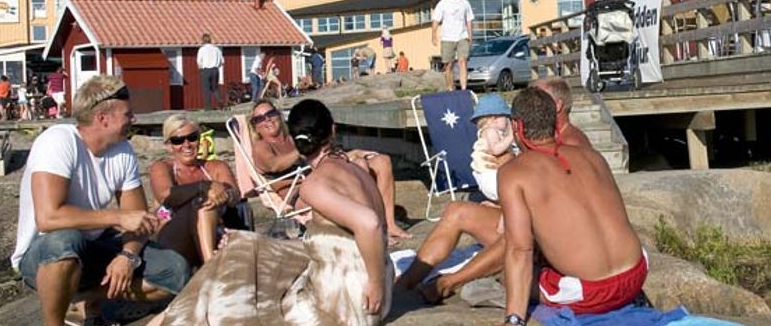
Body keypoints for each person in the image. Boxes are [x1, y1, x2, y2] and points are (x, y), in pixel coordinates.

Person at [154, 99, 392, 326]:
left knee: (253, 296)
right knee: (243, 246)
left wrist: (375, 282)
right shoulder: (357, 168)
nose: (186, 143)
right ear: (332, 130)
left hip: (352, 299)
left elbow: (369, 223)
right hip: (376, 290)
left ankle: (173, 315)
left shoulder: (315, 184)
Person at [11, 75, 190, 326]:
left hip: (93, 247)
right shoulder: (57, 142)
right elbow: (48, 217)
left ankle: (85, 299)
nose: (133, 119)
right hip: (42, 254)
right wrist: (117, 217)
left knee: (175, 270)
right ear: (103, 118)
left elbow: (139, 221)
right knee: (66, 240)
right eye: (127, 114)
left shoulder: (122, 151)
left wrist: (127, 257)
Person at [500, 88, 646, 322]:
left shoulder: (513, 173)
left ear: (517, 127)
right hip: (637, 272)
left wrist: (514, 318)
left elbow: (520, 250)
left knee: (508, 276)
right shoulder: (592, 156)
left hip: (591, 293)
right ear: (555, 121)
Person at [396, 94, 516, 303]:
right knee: (456, 209)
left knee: (519, 235)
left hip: (535, 227)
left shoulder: (569, 145)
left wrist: (514, 164)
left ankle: (448, 282)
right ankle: (407, 280)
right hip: (516, 208)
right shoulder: (507, 135)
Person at [246, 99, 413, 243]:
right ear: (255, 126)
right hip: (299, 193)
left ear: (278, 114)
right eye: (259, 119)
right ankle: (371, 233)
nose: (267, 120)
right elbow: (274, 165)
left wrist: (350, 154)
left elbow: (321, 156)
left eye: (270, 113)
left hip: (323, 175)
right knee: (360, 166)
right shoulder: (261, 147)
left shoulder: (292, 138)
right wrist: (304, 143)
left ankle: (389, 224)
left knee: (382, 161)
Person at [148, 114, 241, 267]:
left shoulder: (215, 167)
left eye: (192, 138)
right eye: (178, 140)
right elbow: (166, 195)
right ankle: (211, 267)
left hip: (214, 235)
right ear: (169, 145)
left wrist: (223, 193)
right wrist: (204, 188)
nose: (187, 144)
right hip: (174, 241)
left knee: (206, 205)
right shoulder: (163, 168)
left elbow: (235, 194)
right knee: (202, 201)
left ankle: (209, 263)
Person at [431, 0, 475, 91]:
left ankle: (464, 88)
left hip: (462, 36)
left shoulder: (465, 3)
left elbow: (469, 20)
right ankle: (451, 88)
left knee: (462, 61)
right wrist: (434, 35)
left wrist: (470, 36)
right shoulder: (443, 3)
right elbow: (436, 20)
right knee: (448, 65)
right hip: (447, 37)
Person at [532, 77, 593, 151]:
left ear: (558, 105)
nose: (532, 106)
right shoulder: (558, 138)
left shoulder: (570, 144)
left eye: (540, 100)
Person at [197, 33, 223, 110]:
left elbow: (199, 61)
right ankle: (220, 102)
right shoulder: (216, 49)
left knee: (206, 88)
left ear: (202, 40)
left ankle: (208, 107)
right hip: (215, 69)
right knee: (215, 88)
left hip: (206, 70)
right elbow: (222, 61)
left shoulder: (202, 49)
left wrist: (201, 69)